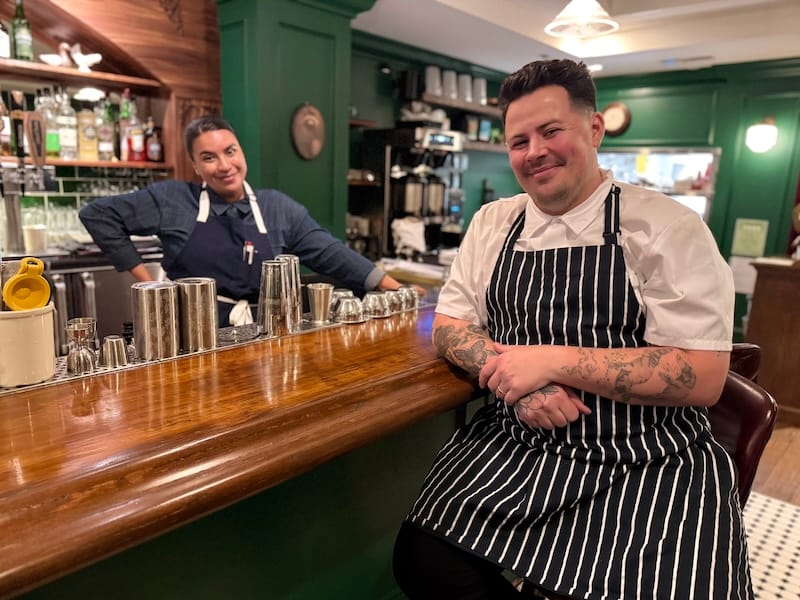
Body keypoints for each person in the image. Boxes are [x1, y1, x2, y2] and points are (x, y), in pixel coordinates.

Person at [392, 59, 752, 599]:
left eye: (551, 131)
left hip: (647, 459)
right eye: (519, 141)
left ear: (594, 129)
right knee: (423, 559)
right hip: (518, 444)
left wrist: (551, 361)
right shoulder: (494, 222)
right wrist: (514, 377)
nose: (534, 150)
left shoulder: (668, 227)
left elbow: (700, 375)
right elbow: (448, 323)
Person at [79, 114, 406, 327]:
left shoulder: (277, 207)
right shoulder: (173, 200)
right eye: (209, 157)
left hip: (262, 330)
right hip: (191, 335)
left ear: (242, 152)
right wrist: (149, 284)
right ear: (195, 166)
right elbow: (97, 215)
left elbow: (332, 254)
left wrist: (397, 291)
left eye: (230, 151)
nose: (224, 165)